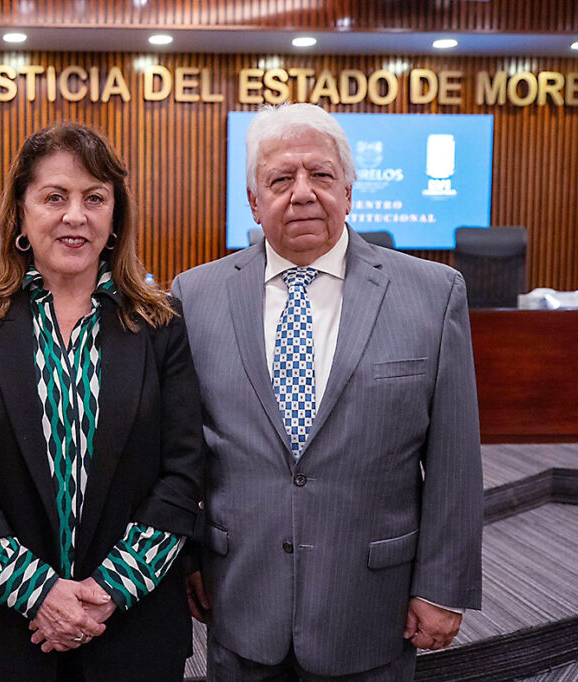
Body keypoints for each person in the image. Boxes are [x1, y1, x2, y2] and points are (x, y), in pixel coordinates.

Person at [171, 103, 483, 681]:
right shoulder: (194, 296)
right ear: (254, 202)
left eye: (320, 174)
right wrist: (187, 555)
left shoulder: (433, 294)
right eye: (280, 179)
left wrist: (443, 586)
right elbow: (180, 449)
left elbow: (454, 459)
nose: (303, 193)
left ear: (348, 191)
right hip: (239, 597)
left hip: (371, 606)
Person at [0, 121, 203, 681]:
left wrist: (106, 592)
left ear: (115, 218)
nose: (75, 215)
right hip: (2, 632)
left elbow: (183, 476)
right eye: (55, 197)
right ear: (21, 215)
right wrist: (39, 594)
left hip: (130, 630)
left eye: (94, 198)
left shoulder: (161, 325)